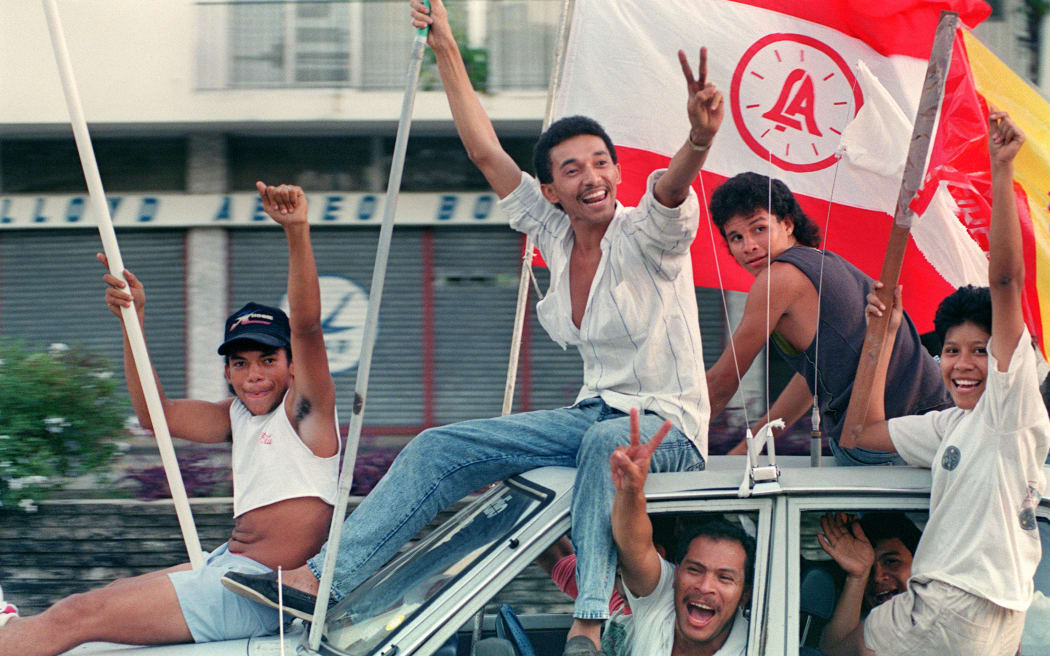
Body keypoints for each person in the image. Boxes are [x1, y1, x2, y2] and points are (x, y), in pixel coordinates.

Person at [222, 1, 721, 652]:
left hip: (668, 427)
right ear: (551, 190)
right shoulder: (555, 234)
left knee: (606, 444)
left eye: (600, 162)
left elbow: (672, 192)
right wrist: (446, 44)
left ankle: (591, 621)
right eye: (571, 169)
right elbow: (486, 153)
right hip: (596, 413)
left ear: (616, 171)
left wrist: (701, 139)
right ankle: (323, 580)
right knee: (437, 448)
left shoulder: (645, 238)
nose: (591, 177)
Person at [0, 182, 341, 655]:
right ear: (226, 371)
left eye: (267, 360)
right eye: (240, 364)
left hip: (264, 594)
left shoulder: (307, 411)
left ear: (291, 365)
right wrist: (133, 322)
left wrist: (297, 231)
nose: (254, 375)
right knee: (101, 597)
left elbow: (306, 326)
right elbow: (153, 417)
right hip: (226, 568)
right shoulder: (237, 417)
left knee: (77, 616)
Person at [824, 112, 1049, 655]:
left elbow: (1006, 280)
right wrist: (886, 331)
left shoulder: (1007, 404)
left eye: (979, 350)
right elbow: (859, 432)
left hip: (957, 603)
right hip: (991, 617)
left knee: (833, 651)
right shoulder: (952, 423)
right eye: (951, 351)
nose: (963, 364)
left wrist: (1000, 170)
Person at [704, 172, 950, 464]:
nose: (749, 246)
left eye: (759, 229)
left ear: (787, 223)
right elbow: (813, 379)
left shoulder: (777, 279)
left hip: (891, 436)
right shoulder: (823, 261)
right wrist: (749, 448)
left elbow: (723, 380)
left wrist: (671, 442)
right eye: (736, 238)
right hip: (938, 416)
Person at [609, 410, 752, 656]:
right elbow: (634, 546)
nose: (705, 587)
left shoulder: (758, 646)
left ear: (744, 596)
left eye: (725, 578)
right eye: (694, 570)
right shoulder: (661, 600)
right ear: (674, 575)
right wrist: (631, 491)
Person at [816, 512, 921, 652]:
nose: (877, 577)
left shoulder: (940, 616)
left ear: (919, 563)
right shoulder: (861, 628)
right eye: (869, 570)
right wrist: (857, 577)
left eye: (891, 562)